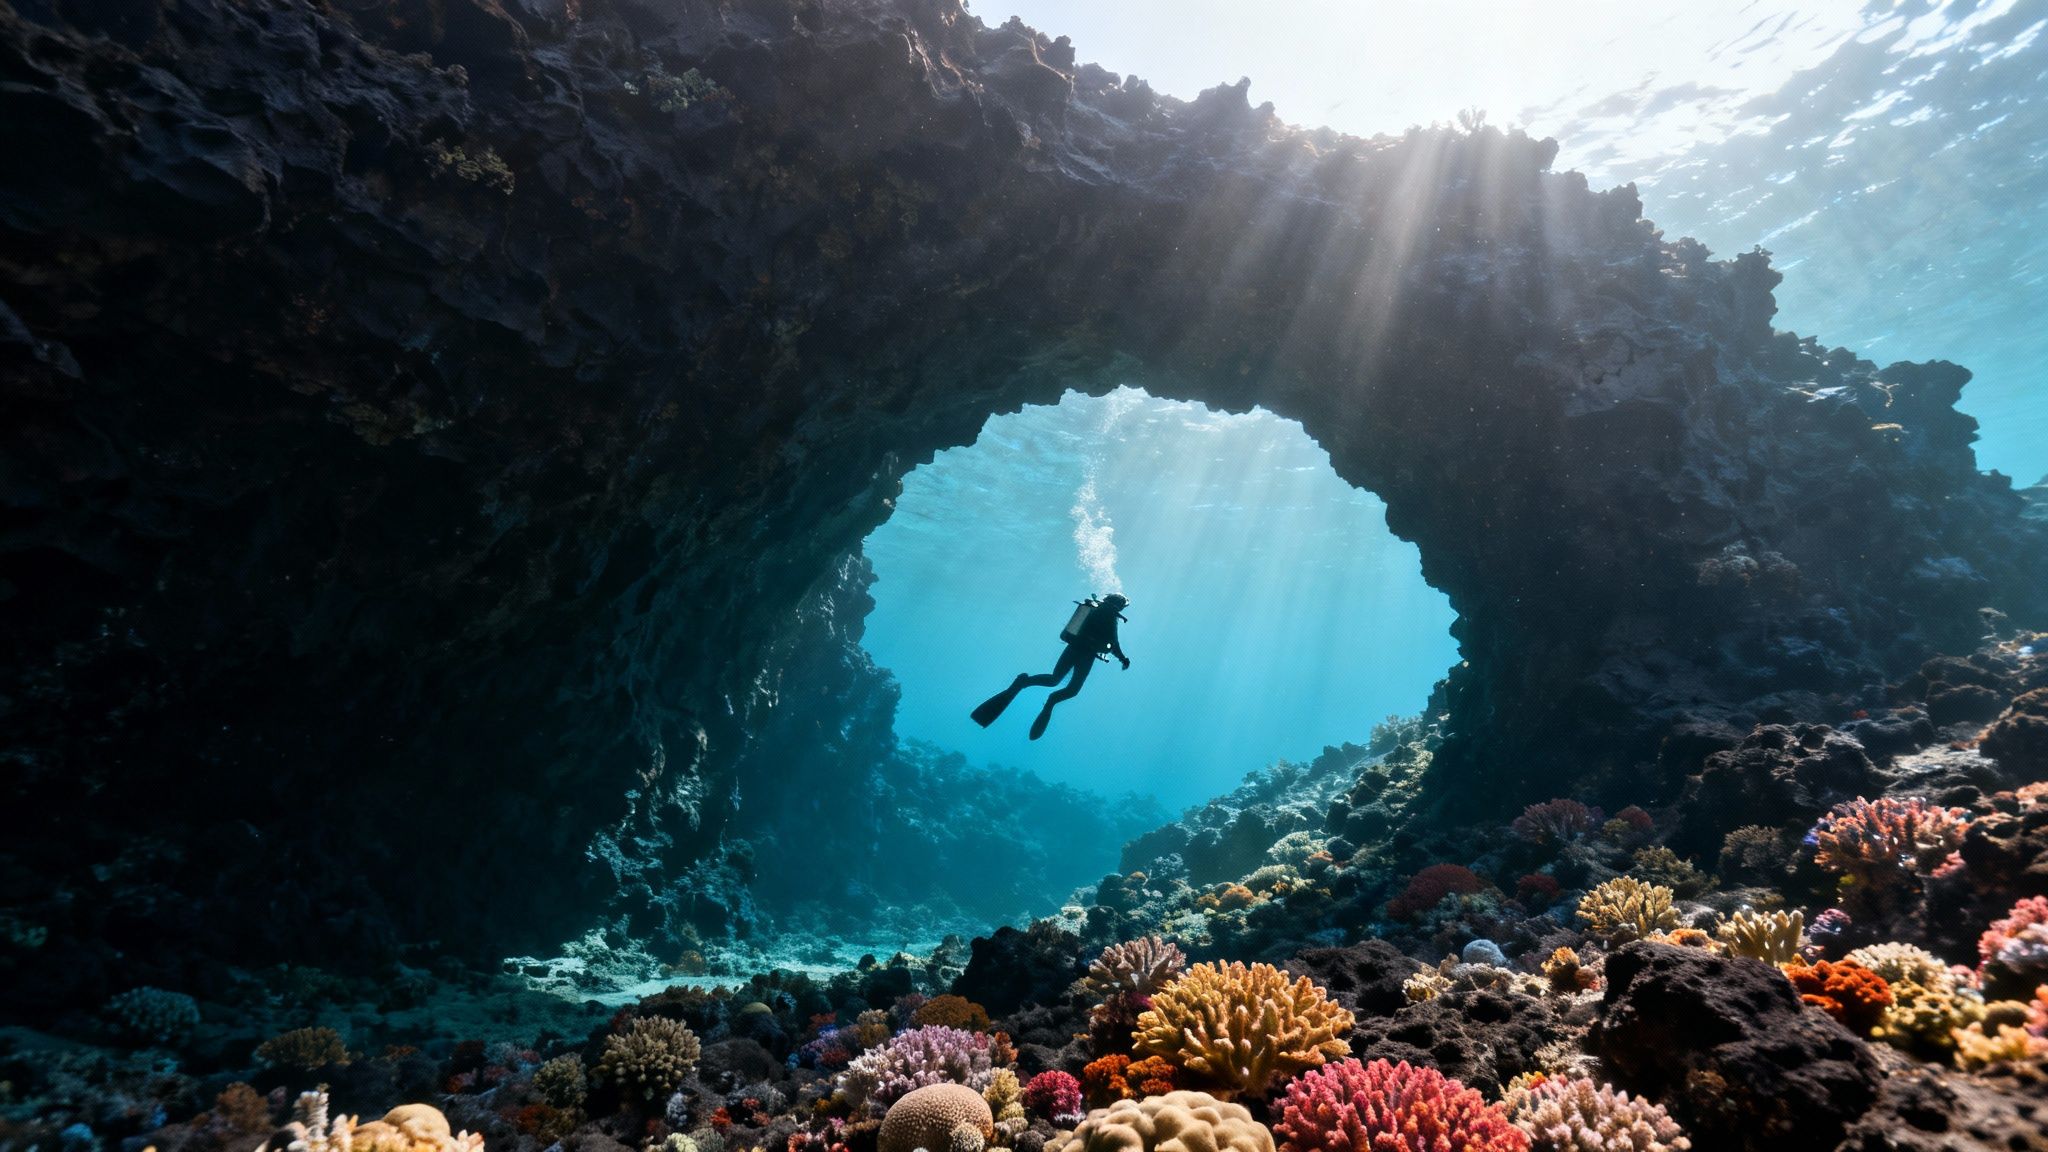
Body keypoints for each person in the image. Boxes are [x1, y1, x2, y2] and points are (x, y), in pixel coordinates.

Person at [971, 593, 1131, 740]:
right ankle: (1050, 701)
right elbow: (1114, 644)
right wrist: (1123, 659)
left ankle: (1023, 683)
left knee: (1054, 679)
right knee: (1071, 690)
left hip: (1074, 649)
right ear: (1120, 605)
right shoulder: (1110, 617)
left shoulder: (1096, 610)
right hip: (1086, 655)